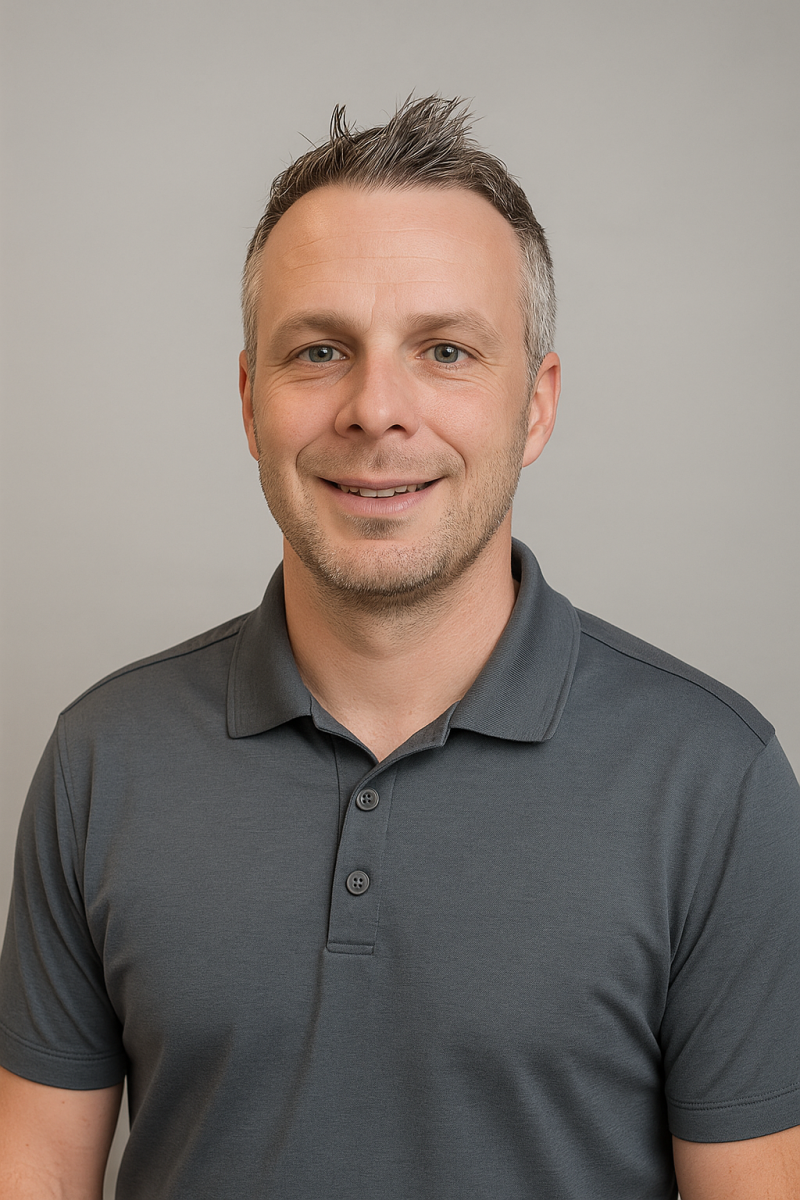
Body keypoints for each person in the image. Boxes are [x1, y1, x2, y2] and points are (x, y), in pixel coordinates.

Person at [0, 95, 798, 1200]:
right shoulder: (102, 758)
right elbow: (32, 1172)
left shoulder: (714, 780)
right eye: (319, 350)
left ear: (535, 407)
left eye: (445, 351)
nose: (377, 410)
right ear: (247, 402)